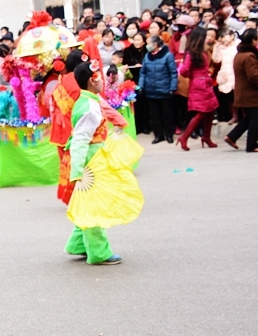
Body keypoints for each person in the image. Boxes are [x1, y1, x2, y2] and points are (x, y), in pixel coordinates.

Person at [65, 62, 124, 266]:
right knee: (94, 207)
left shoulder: (87, 100)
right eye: (99, 76)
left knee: (87, 204)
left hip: (91, 156)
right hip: (90, 160)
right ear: (92, 80)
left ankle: (79, 244)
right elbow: (81, 139)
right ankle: (99, 252)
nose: (103, 80)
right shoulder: (90, 106)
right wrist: (78, 171)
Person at [224, 29, 258, 152]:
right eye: (257, 38)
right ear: (253, 40)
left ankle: (232, 136)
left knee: (249, 117)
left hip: (243, 91)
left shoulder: (239, 54)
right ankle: (252, 145)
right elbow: (253, 76)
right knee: (255, 117)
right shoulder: (249, 56)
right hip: (251, 92)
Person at [176, 28, 219, 150]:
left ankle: (206, 137)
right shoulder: (192, 53)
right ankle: (185, 137)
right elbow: (184, 70)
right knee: (201, 112)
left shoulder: (200, 51)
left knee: (210, 110)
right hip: (199, 84)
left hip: (204, 82)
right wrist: (192, 76)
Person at [138, 35, 178, 144]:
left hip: (164, 90)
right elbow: (143, 73)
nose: (147, 46)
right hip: (151, 91)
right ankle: (158, 135)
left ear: (155, 45)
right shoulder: (147, 56)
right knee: (155, 116)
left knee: (167, 115)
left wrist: (172, 88)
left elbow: (173, 73)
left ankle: (169, 135)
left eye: (148, 43)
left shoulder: (168, 56)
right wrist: (141, 86)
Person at [211, 27, 240, 123]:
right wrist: (216, 48)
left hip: (237, 73)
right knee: (229, 97)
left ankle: (244, 116)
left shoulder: (238, 45)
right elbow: (216, 60)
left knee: (240, 96)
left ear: (232, 36)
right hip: (226, 74)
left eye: (225, 36)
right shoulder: (221, 48)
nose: (223, 39)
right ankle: (234, 116)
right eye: (222, 37)